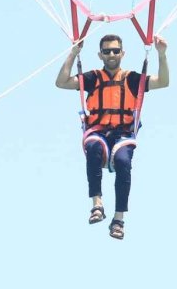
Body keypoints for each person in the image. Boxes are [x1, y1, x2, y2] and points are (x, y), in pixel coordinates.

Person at [55, 33, 170, 239]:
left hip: (123, 135)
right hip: (98, 132)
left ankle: (118, 219)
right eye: (107, 51)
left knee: (124, 162)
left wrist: (161, 54)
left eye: (115, 51)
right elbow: (61, 82)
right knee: (93, 148)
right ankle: (97, 204)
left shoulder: (133, 79)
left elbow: (163, 82)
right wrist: (73, 53)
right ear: (100, 55)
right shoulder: (93, 78)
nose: (111, 55)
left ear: (122, 53)